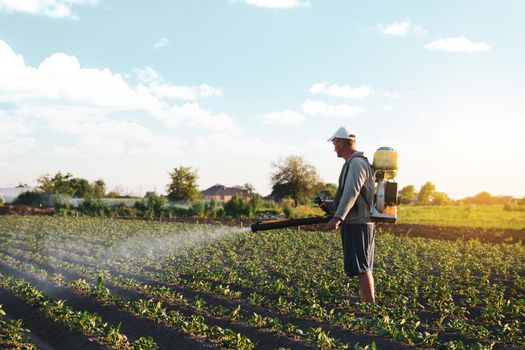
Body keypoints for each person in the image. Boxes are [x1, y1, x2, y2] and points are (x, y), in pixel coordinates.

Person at [321, 126, 376, 303]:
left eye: (335, 144)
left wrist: (338, 217)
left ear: (341, 142)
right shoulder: (352, 164)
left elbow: (352, 192)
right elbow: (348, 195)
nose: (334, 148)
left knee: (362, 266)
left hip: (358, 222)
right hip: (356, 221)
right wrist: (330, 205)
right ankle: (370, 306)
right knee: (362, 265)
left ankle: (370, 308)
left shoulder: (357, 164)